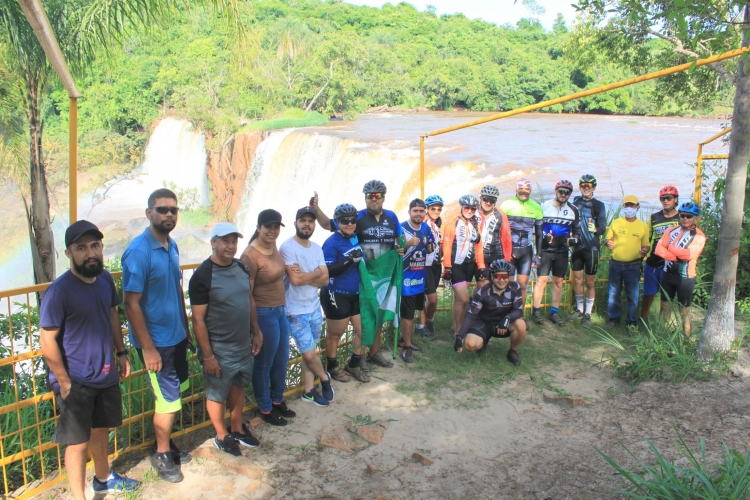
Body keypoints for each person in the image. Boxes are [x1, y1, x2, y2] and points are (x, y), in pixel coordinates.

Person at [40, 221, 139, 499]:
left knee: (100, 429)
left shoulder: (105, 278)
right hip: (76, 379)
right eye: (81, 248)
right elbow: (47, 340)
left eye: (94, 245)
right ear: (68, 253)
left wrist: (121, 353)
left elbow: (112, 315)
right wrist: (63, 381)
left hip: (105, 373)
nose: (90, 253)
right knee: (77, 442)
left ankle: (103, 478)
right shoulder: (59, 291)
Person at [123, 188, 192, 483]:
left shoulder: (171, 245)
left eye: (173, 210)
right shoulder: (139, 252)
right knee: (167, 401)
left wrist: (186, 329)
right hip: (157, 343)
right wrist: (148, 349)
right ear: (149, 213)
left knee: (177, 392)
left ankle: (164, 442)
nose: (168, 215)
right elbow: (130, 303)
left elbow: (176, 288)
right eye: (162, 209)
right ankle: (162, 454)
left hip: (176, 338)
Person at [312, 180, 405, 369]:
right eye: (369, 196)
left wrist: (402, 249)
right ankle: (358, 360)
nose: (373, 199)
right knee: (367, 318)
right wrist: (315, 208)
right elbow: (328, 225)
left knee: (377, 316)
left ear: (383, 197)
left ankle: (373, 353)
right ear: (365, 198)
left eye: (377, 195)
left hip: (384, 274)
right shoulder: (356, 217)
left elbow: (399, 239)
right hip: (363, 275)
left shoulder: (392, 217)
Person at [189, 223, 261, 456]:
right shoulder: (203, 275)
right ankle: (221, 434)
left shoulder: (241, 267)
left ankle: (237, 428)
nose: (231, 246)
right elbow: (198, 320)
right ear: (213, 242)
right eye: (225, 241)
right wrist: (208, 356)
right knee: (217, 393)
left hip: (242, 343)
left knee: (239, 385)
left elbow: (249, 300)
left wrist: (256, 332)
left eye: (234, 241)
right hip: (219, 348)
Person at [240, 209, 297, 426]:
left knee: (281, 359)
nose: (272, 231)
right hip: (263, 314)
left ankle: (276, 400)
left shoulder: (273, 247)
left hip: (280, 310)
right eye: (268, 227)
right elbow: (246, 293)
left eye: (276, 227)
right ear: (258, 228)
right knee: (263, 363)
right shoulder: (250, 256)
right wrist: (255, 328)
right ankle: (264, 408)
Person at [280, 207, 334, 406]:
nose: (307, 224)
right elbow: (294, 279)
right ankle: (326, 378)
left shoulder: (317, 248)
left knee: (308, 352)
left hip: (313, 307)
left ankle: (309, 391)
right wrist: (316, 272)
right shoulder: (287, 247)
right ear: (295, 223)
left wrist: (305, 275)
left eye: (310, 221)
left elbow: (326, 280)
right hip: (295, 310)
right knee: (310, 353)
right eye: (302, 220)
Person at [321, 203, 368, 383]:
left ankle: (353, 365)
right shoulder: (332, 242)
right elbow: (328, 271)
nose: (349, 224)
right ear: (337, 222)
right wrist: (349, 260)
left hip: (354, 293)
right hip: (335, 293)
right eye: (344, 221)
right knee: (335, 334)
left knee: (363, 331)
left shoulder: (354, 238)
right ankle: (332, 367)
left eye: (352, 220)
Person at [453, 259, 527, 366]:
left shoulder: (515, 287)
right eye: (498, 276)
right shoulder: (483, 291)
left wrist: (507, 318)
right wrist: (459, 336)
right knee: (469, 345)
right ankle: (484, 340)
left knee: (521, 325)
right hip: (485, 324)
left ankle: (512, 352)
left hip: (504, 324)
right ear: (492, 276)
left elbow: (518, 311)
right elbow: (471, 315)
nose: (501, 280)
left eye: (505, 276)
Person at [532, 180, 580, 326]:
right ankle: (536, 311)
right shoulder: (543, 206)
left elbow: (577, 230)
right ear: (555, 190)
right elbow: (536, 228)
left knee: (558, 282)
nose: (563, 194)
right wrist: (544, 234)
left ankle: (554, 312)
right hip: (546, 250)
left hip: (562, 251)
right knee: (541, 281)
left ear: (570, 194)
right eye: (561, 191)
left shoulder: (573, 210)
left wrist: (575, 239)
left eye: (567, 192)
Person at [654, 202, 706, 336]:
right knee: (664, 306)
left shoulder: (699, 236)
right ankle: (660, 336)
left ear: (695, 218)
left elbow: (688, 255)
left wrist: (669, 248)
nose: (685, 219)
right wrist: (677, 256)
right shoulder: (671, 231)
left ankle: (686, 339)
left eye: (689, 216)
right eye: (682, 215)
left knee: (684, 310)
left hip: (685, 278)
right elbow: (659, 250)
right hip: (668, 275)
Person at [442, 194, 486, 337]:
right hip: (456, 265)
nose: (469, 211)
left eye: (473, 209)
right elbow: (447, 246)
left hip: (470, 266)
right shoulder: (452, 223)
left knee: (458, 300)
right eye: (467, 208)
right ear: (461, 207)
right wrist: (447, 268)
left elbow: (478, 248)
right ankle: (460, 331)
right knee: (463, 299)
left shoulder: (475, 225)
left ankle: (454, 327)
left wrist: (481, 267)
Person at [398, 199, 436, 363]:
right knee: (406, 316)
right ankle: (406, 347)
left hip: (419, 278)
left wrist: (430, 247)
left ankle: (404, 339)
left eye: (421, 211)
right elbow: (394, 251)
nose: (418, 214)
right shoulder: (401, 228)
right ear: (409, 212)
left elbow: (431, 244)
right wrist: (408, 244)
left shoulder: (426, 227)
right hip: (405, 280)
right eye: (415, 211)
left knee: (413, 312)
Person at [605, 195, 650, 329]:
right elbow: (608, 239)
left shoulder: (643, 226)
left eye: (632, 205)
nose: (629, 208)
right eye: (626, 205)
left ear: (638, 207)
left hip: (633, 266)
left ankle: (631, 322)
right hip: (615, 264)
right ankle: (613, 319)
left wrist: (645, 250)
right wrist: (608, 242)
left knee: (633, 295)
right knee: (613, 293)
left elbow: (646, 245)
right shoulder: (616, 223)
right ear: (623, 207)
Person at [568, 174, 607, 327]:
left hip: (591, 247)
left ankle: (588, 313)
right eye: (583, 186)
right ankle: (579, 309)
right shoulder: (576, 201)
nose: (586, 188)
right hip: (577, 247)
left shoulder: (598, 205)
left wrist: (596, 229)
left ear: (593, 188)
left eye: (589, 186)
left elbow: (603, 227)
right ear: (580, 187)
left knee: (589, 282)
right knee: (577, 280)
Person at [499, 178, 543, 313]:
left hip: (526, 253)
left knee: (522, 285)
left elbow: (539, 233)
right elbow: (500, 231)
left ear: (530, 191)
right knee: (507, 285)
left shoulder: (536, 207)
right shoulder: (506, 205)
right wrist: (506, 250)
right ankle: (505, 315)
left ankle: (519, 315)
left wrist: (538, 255)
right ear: (516, 189)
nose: (524, 192)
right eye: (521, 189)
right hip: (509, 252)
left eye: (527, 190)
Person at [641, 185, 680, 324]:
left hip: (671, 266)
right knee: (648, 295)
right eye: (662, 198)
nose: (665, 201)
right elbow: (648, 239)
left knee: (666, 300)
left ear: (675, 199)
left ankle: (662, 327)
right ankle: (643, 322)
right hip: (653, 263)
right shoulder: (654, 217)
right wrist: (643, 251)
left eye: (668, 198)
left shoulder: (682, 217)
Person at [416, 194, 444, 340]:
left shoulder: (436, 224)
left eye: (439, 209)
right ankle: (426, 322)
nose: (436, 211)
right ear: (426, 208)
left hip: (436, 263)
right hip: (425, 264)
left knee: (429, 298)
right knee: (432, 299)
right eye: (433, 208)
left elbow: (438, 244)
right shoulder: (423, 224)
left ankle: (425, 323)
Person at [476, 185, 512, 286]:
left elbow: (506, 238)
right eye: (486, 199)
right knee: (483, 284)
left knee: (497, 285)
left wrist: (507, 259)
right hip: (478, 255)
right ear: (480, 198)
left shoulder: (501, 215)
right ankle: (474, 301)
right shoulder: (473, 212)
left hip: (496, 253)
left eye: (492, 200)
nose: (488, 203)